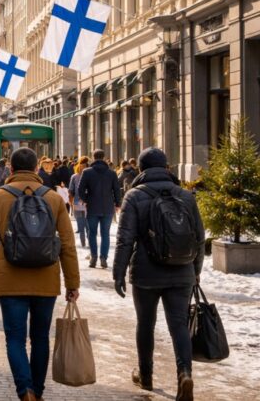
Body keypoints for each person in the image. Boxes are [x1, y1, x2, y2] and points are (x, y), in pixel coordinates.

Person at [0, 148, 80, 401]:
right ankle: (39, 391)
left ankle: (25, 391)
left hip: (10, 278)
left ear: (10, 169)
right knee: (41, 338)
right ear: (36, 169)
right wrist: (72, 283)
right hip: (46, 278)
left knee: (15, 338)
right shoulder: (54, 199)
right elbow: (67, 244)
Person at [113, 148, 204, 401]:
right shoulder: (186, 196)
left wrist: (118, 273)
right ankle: (184, 373)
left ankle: (146, 376)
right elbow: (199, 237)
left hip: (146, 272)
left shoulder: (134, 196)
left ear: (141, 169)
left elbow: (124, 240)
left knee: (146, 324)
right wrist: (195, 272)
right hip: (181, 270)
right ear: (166, 167)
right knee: (179, 325)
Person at [77, 149, 122, 269]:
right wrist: (118, 203)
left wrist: (86, 199)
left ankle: (94, 257)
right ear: (104, 157)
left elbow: (80, 190)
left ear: (93, 157)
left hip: (92, 206)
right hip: (107, 207)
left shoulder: (87, 172)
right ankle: (103, 258)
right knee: (105, 234)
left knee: (92, 233)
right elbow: (117, 190)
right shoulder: (111, 173)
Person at [68, 156, 90, 248]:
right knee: (85, 224)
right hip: (85, 203)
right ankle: (86, 242)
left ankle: (85, 242)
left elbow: (71, 191)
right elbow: (71, 191)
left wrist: (71, 202)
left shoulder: (75, 177)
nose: (82, 167)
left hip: (80, 202)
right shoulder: (89, 176)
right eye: (82, 165)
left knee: (83, 224)